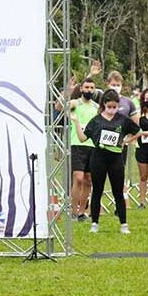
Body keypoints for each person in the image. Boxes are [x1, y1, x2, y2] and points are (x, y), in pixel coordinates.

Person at [71, 89, 142, 234]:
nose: (111, 110)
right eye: (109, 107)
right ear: (104, 105)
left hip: (116, 158)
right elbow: (83, 138)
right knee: (97, 190)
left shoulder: (122, 119)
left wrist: (126, 140)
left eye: (114, 107)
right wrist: (76, 122)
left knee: (118, 191)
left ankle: (123, 224)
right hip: (98, 158)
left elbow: (138, 131)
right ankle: (95, 223)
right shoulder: (96, 120)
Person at [58, 77, 98, 221]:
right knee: (78, 178)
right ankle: (73, 212)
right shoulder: (75, 103)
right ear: (81, 89)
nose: (89, 90)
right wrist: (66, 91)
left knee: (88, 180)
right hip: (76, 145)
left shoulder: (96, 107)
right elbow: (58, 107)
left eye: (92, 88)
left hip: (92, 146)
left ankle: (82, 212)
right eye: (86, 87)